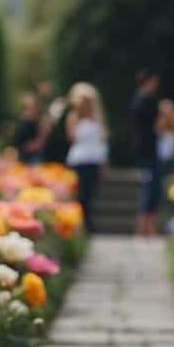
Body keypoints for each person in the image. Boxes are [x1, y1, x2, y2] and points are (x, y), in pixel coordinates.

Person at [65, 82, 109, 233]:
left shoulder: (97, 118)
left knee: (89, 193)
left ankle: (87, 223)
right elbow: (72, 137)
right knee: (82, 193)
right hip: (79, 159)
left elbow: (102, 141)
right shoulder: (73, 117)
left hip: (93, 159)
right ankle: (84, 224)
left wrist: (104, 162)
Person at [131, 70, 161, 235]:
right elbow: (155, 126)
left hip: (147, 150)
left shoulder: (141, 100)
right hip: (147, 151)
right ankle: (144, 228)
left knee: (151, 188)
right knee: (149, 189)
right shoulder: (144, 101)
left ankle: (147, 228)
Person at [11, 91, 47, 164]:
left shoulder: (42, 120)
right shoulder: (23, 121)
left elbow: (40, 142)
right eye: (26, 107)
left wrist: (28, 146)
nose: (28, 110)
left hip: (34, 156)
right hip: (21, 154)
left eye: (30, 107)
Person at [156, 98, 174, 187]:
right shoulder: (160, 118)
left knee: (171, 163)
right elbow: (159, 129)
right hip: (163, 144)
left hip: (171, 142)